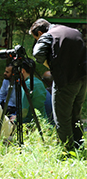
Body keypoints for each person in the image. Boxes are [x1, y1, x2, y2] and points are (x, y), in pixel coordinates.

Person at [29, 18, 87, 149]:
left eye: (36, 38)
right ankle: (79, 146)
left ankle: (67, 150)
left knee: (62, 119)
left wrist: (49, 65)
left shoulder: (49, 34)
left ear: (39, 33)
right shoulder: (74, 32)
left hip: (65, 81)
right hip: (83, 79)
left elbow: (37, 53)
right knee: (75, 116)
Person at [19, 58, 47, 123]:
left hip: (31, 124)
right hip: (43, 121)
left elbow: (24, 111)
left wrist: (14, 121)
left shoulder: (26, 85)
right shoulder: (40, 82)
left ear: (22, 71)